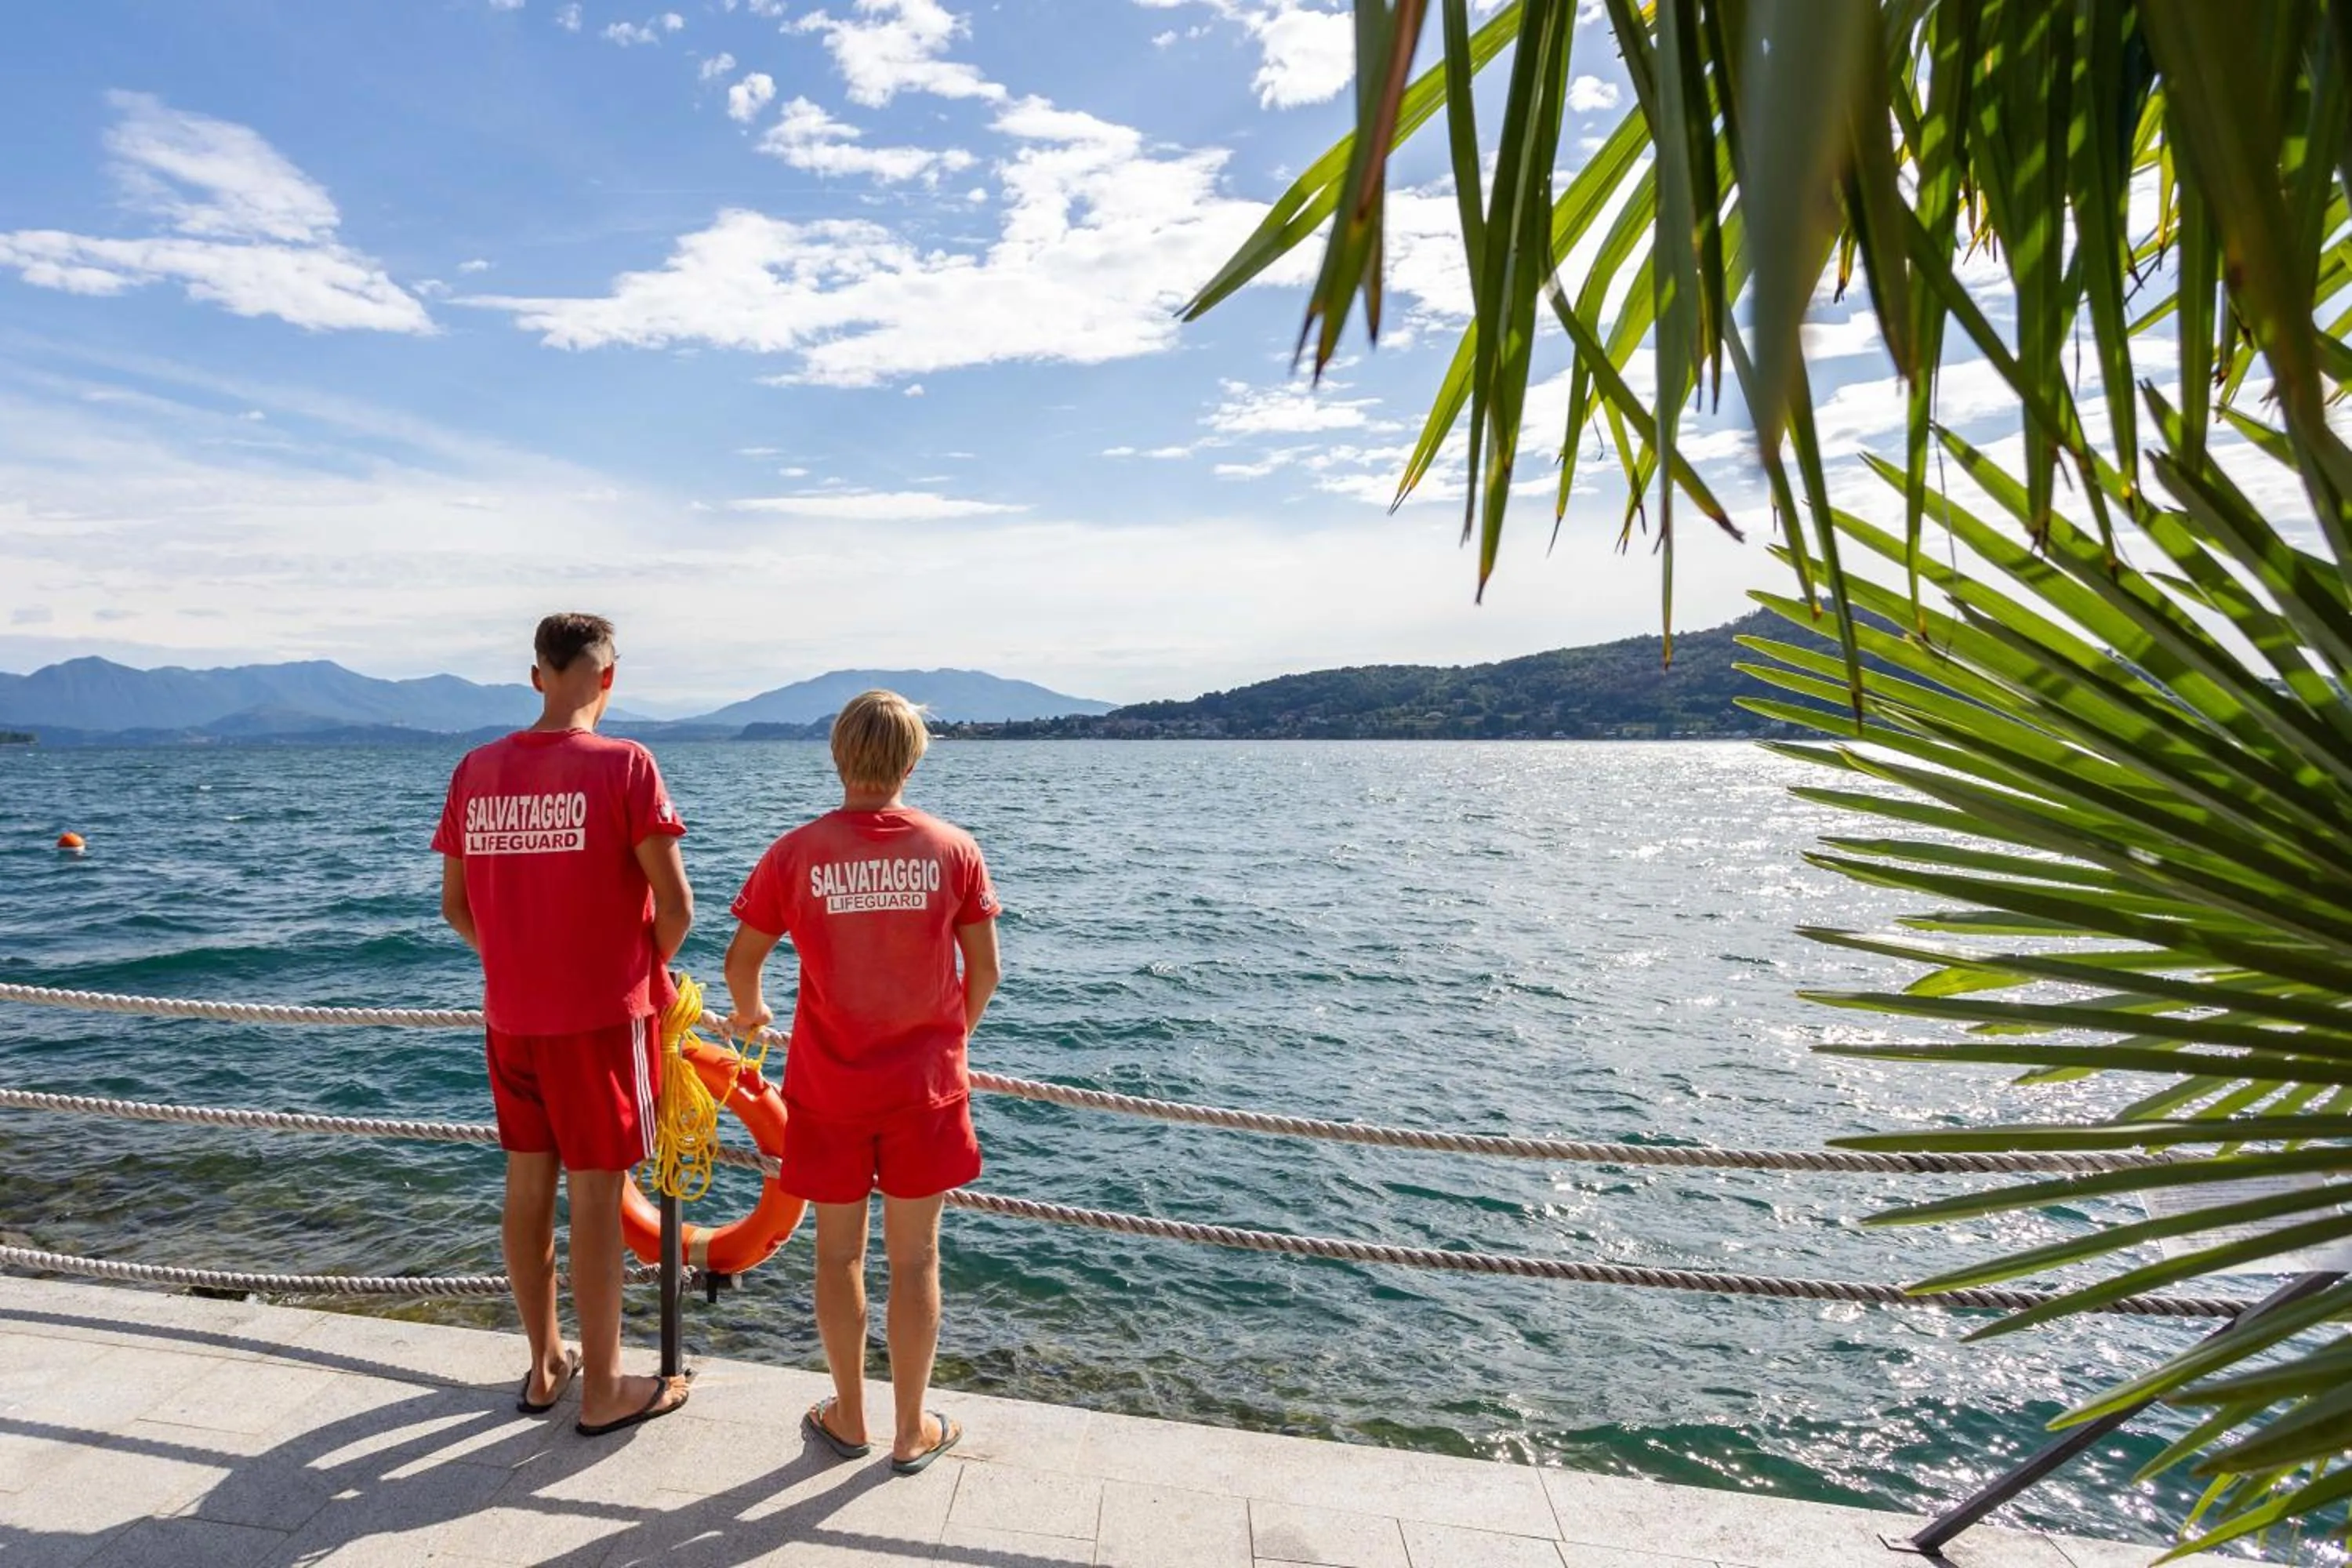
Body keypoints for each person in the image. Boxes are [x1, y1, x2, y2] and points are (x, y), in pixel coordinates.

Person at [723, 689, 1002, 1475]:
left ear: (838, 757)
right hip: (924, 1090)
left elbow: (742, 960)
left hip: (828, 1086)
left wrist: (752, 1016)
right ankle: (913, 1427)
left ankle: (849, 1414)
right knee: (916, 1261)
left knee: (837, 1254)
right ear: (913, 761)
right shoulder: (953, 848)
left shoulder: (795, 851)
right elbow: (984, 970)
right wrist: (948, 1043)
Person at [434, 612, 694, 1438]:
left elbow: (455, 905)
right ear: (608, 679)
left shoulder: (476, 768)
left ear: (537, 673)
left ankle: (546, 1363)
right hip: (600, 1020)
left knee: (526, 1184)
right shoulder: (626, 765)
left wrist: (517, 959)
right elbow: (677, 907)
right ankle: (607, 1387)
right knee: (594, 1194)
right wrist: (628, 968)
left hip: (512, 1017)